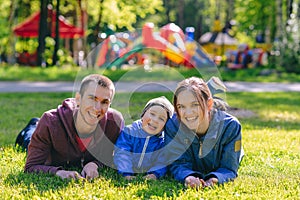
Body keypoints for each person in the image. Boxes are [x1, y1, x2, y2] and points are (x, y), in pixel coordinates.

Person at [24, 74, 124, 180]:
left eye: (105, 102)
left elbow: (111, 156)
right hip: (38, 133)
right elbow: (30, 167)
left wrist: (94, 164)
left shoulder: (114, 123)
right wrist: (58, 172)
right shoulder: (50, 122)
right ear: (78, 99)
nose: (97, 108)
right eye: (92, 99)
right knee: (28, 137)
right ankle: (33, 125)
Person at [165, 76, 243, 188]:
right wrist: (188, 177)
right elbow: (177, 164)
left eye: (195, 105)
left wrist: (214, 179)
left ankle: (214, 95)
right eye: (181, 106)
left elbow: (229, 168)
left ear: (209, 104)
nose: (188, 113)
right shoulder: (173, 126)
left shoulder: (230, 127)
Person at [114, 96, 174, 180]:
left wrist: (154, 174)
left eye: (161, 119)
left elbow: (162, 161)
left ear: (165, 126)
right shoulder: (129, 132)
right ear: (143, 115)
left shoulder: (162, 142)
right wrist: (126, 173)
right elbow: (122, 153)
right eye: (152, 114)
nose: (155, 120)